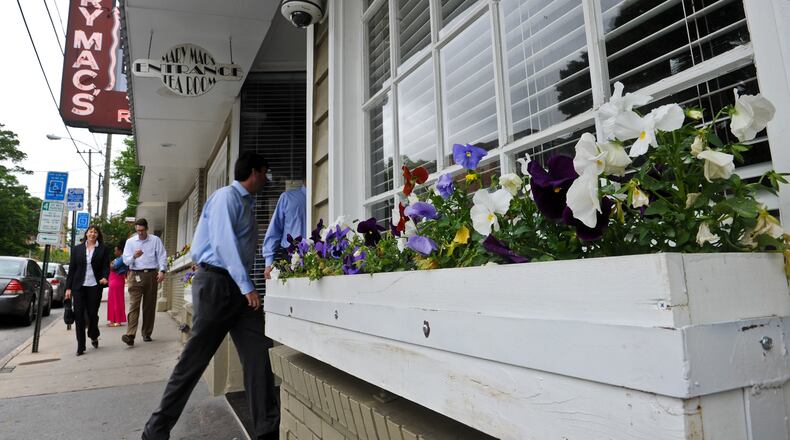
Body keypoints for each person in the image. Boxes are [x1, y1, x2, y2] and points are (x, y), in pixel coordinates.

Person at [142, 151, 279, 440]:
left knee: (258, 356)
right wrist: (247, 286)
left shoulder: (246, 203)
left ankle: (267, 431)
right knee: (194, 361)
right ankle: (156, 430)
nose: (267, 178)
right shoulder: (226, 197)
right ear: (254, 172)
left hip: (237, 291)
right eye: (265, 172)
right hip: (219, 286)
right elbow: (223, 243)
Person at [65, 225, 110, 356]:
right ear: (86, 234)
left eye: (95, 232)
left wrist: (104, 277)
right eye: (90, 232)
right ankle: (81, 346)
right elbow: (72, 269)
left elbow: (106, 267)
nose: (92, 234)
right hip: (78, 287)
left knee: (92, 315)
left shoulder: (103, 249)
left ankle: (94, 335)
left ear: (98, 235)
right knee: (79, 315)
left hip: (95, 286)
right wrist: (68, 288)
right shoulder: (77, 249)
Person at [122, 218, 167, 346]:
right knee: (134, 305)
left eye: (142, 230)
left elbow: (162, 255)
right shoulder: (130, 242)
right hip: (135, 274)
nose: (140, 233)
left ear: (147, 229)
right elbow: (125, 261)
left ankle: (147, 333)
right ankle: (130, 335)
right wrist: (134, 256)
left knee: (149, 306)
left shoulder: (155, 240)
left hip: (151, 274)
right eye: (138, 231)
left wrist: (162, 271)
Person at [262, 165, 306, 279]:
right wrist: (269, 263)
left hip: (320, 255)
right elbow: (275, 230)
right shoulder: (287, 198)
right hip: (290, 256)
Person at [107, 241, 128, 327]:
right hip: (113, 280)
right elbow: (112, 265)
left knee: (117, 300)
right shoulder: (118, 259)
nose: (115, 252)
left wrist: (111, 264)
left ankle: (117, 321)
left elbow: (112, 266)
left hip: (117, 280)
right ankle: (113, 320)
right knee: (112, 301)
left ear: (120, 251)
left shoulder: (122, 258)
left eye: (116, 250)